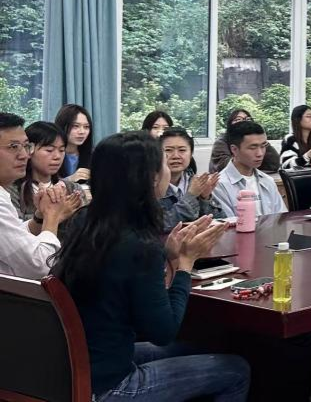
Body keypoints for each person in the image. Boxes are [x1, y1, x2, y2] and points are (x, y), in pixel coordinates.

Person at [50, 131, 250, 401]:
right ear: (152, 178)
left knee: (201, 347)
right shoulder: (139, 245)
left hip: (77, 365)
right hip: (109, 385)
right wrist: (185, 264)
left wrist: (168, 255)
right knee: (236, 369)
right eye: (164, 162)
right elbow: (163, 331)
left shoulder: (85, 221)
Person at [0, 113, 81, 277]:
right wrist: (52, 217)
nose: (24, 155)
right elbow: (41, 265)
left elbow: (14, 237)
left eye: (26, 146)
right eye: (13, 147)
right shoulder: (12, 192)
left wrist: (39, 218)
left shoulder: (71, 187)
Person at [210, 120, 288, 217]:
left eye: (263, 146)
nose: (260, 153)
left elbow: (281, 218)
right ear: (234, 149)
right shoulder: (220, 185)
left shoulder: (268, 181)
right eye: (253, 148)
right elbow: (227, 223)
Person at [16, 121, 87, 222]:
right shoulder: (14, 189)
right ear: (29, 149)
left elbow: (85, 225)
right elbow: (15, 228)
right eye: (49, 150)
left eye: (61, 150)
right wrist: (57, 215)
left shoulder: (73, 189)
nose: (57, 156)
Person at [159, 128, 225, 230]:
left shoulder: (196, 181)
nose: (176, 156)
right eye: (168, 150)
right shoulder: (154, 185)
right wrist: (191, 195)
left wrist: (205, 198)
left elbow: (221, 221)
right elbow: (162, 224)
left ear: (191, 154)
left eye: (182, 150)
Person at [209, 108, 282, 174]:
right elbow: (225, 167)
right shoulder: (221, 142)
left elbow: (274, 165)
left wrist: (262, 142)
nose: (244, 122)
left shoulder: (256, 140)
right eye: (238, 119)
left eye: (248, 119)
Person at [55, 103, 93, 183]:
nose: (82, 132)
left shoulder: (93, 155)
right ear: (62, 126)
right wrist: (70, 179)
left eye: (86, 127)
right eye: (75, 126)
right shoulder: (51, 154)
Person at [280, 105, 311, 170]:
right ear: (298, 119)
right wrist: (310, 154)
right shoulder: (290, 139)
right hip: (298, 176)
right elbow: (286, 165)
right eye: (308, 116)